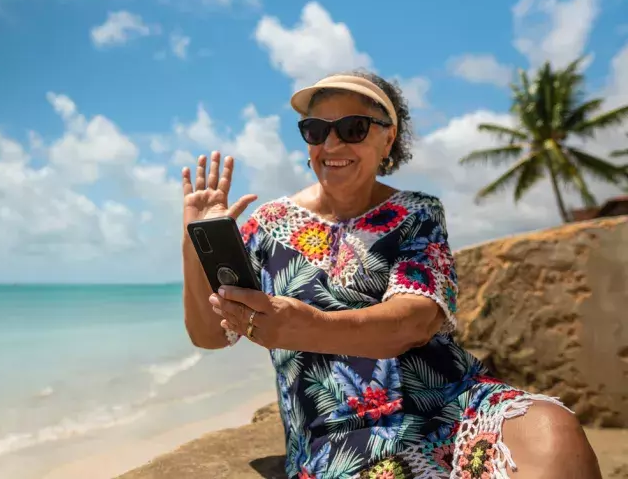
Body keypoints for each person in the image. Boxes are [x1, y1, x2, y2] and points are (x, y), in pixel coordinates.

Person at [180, 70, 601, 479]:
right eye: (315, 129)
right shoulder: (268, 224)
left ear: (388, 138)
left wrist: (307, 327)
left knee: (552, 430)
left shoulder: (417, 212)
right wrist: (191, 242)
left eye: (353, 127)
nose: (331, 143)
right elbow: (212, 335)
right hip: (340, 437)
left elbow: (414, 322)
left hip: (449, 403)